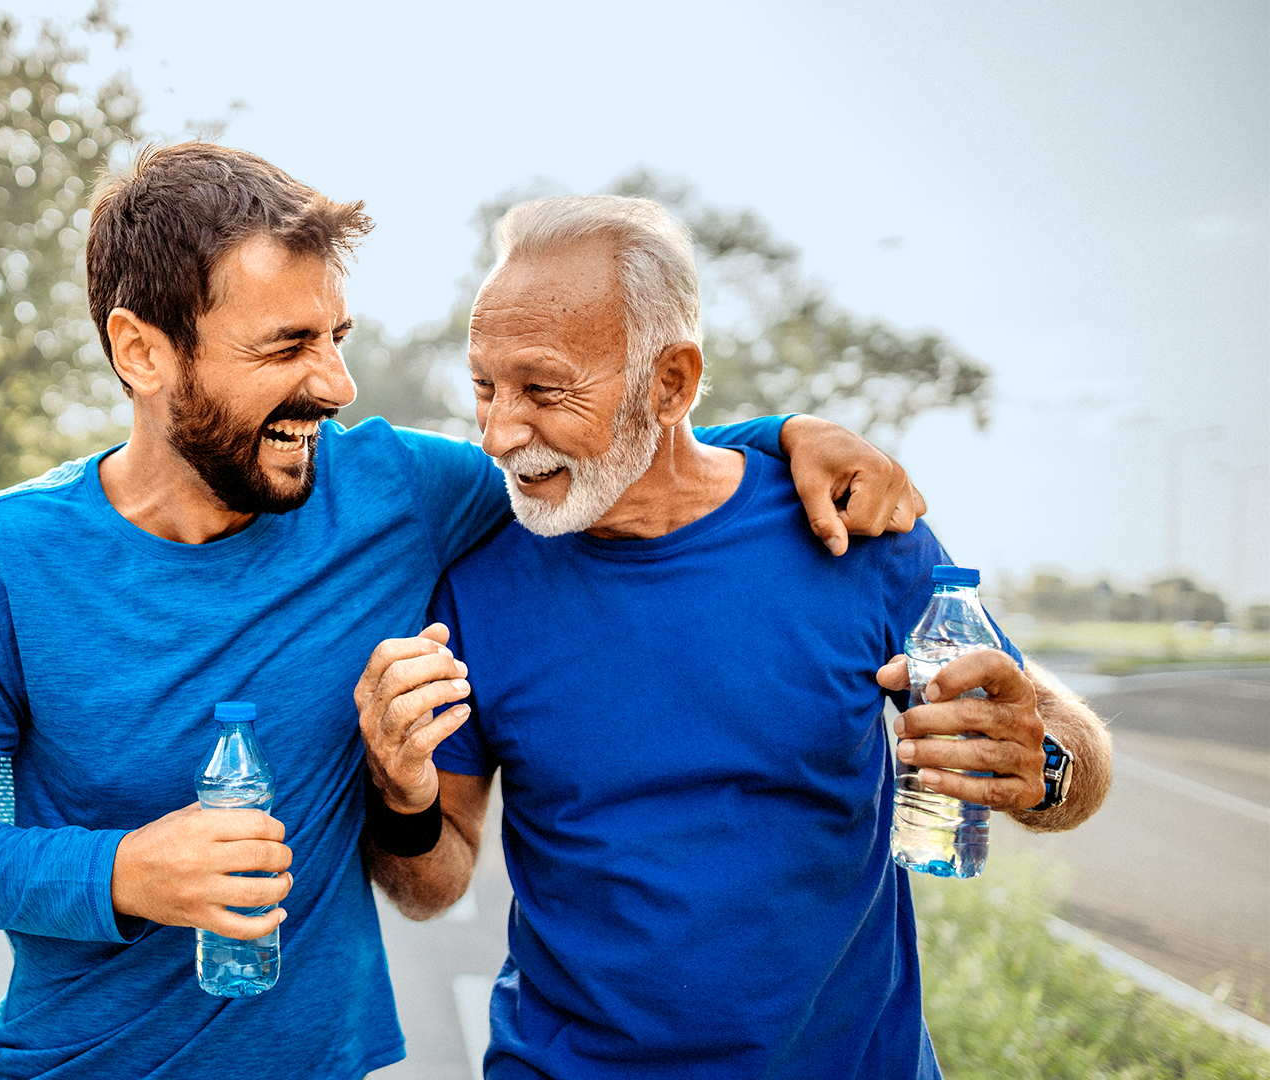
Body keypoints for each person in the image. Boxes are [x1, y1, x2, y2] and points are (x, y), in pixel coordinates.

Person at [0, 144, 929, 1080]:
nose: (336, 383)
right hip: (82, 1066)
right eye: (286, 348)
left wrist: (787, 435)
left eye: (337, 335)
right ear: (141, 351)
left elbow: (610, 449)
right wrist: (123, 871)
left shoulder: (394, 496)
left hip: (324, 1062)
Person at [354, 194, 1113, 1079]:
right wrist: (398, 791)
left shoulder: (852, 531)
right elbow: (430, 886)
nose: (497, 433)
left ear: (670, 383)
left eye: (544, 389)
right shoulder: (478, 584)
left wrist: (1045, 767)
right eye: (483, 386)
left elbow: (1069, 755)